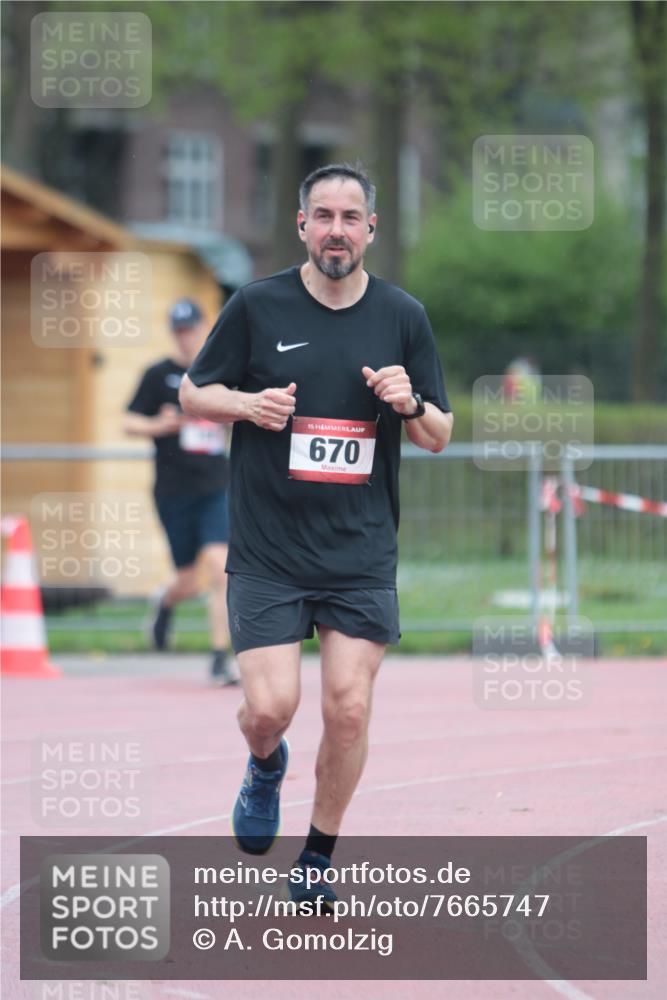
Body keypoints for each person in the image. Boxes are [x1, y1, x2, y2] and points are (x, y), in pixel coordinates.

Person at [179, 163, 453, 907]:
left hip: (359, 549)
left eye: (350, 217)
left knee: (350, 706)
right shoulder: (256, 305)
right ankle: (264, 763)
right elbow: (192, 391)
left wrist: (407, 402)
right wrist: (245, 404)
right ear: (302, 225)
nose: (337, 229)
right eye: (323, 216)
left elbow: (438, 433)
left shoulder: (402, 316)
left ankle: (317, 858)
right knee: (269, 709)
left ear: (371, 229)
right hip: (269, 550)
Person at [123, 298, 238, 686]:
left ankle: (221, 657)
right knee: (188, 580)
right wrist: (160, 425)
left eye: (191, 330)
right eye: (180, 331)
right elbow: (129, 421)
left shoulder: (221, 372)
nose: (186, 338)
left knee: (220, 566)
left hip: (216, 487)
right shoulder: (159, 375)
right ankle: (165, 601)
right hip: (173, 490)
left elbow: (241, 413)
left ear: (205, 328)